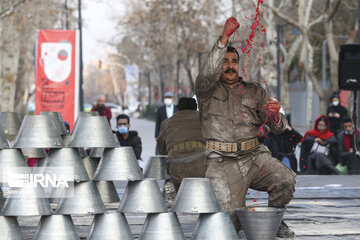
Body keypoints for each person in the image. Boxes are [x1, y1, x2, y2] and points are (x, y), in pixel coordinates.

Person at [195, 17, 296, 238]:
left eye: (234, 61)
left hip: (253, 156)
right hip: (221, 161)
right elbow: (206, 74)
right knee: (230, 222)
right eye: (225, 61)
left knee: (285, 179)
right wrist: (224, 38)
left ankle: (274, 219)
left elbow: (277, 127)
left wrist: (275, 116)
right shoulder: (206, 91)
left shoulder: (255, 91)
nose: (230, 65)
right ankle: (235, 220)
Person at [157, 97, 207, 191]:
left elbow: (161, 150)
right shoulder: (204, 119)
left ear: (178, 108)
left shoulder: (166, 123)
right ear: (195, 107)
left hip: (176, 168)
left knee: (181, 197)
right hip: (201, 165)